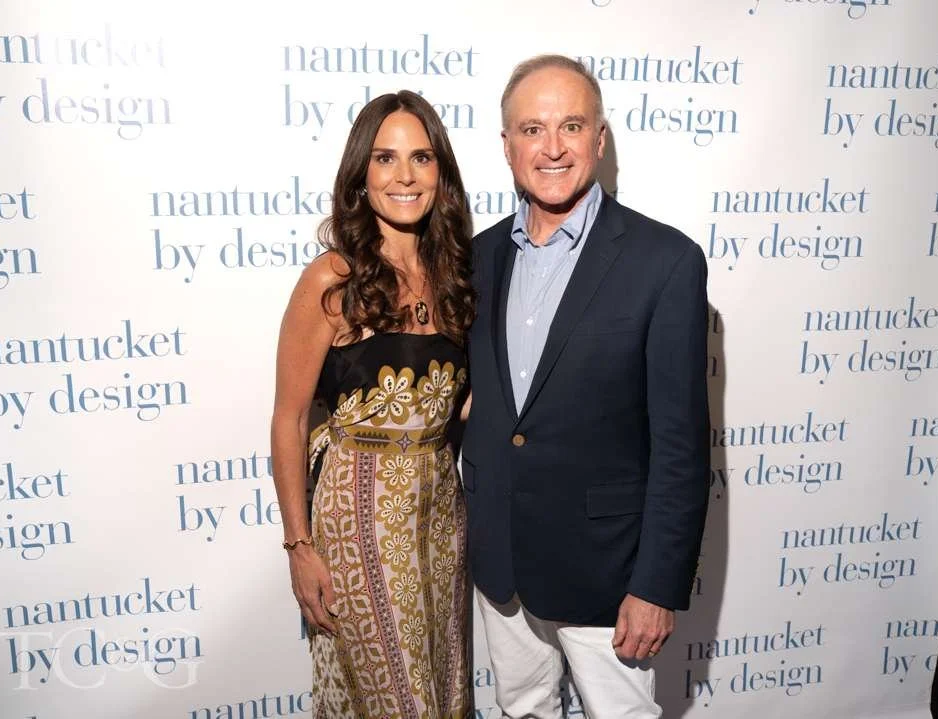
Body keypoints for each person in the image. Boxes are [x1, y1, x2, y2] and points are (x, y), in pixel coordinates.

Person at [462, 54, 710, 717]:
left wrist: (656, 585)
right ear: (507, 145)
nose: (552, 148)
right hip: (502, 560)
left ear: (599, 140)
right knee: (522, 708)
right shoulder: (477, 258)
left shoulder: (666, 261)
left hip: (608, 571)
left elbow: (681, 447)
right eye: (532, 129)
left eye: (570, 126)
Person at [270, 90, 475, 718]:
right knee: (398, 701)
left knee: (443, 691)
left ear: (441, 175)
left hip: (440, 515)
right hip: (359, 520)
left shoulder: (457, 275)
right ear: (361, 175)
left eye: (421, 158)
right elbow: (290, 418)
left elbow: (459, 405)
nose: (404, 176)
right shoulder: (332, 278)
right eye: (385, 158)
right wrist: (300, 547)